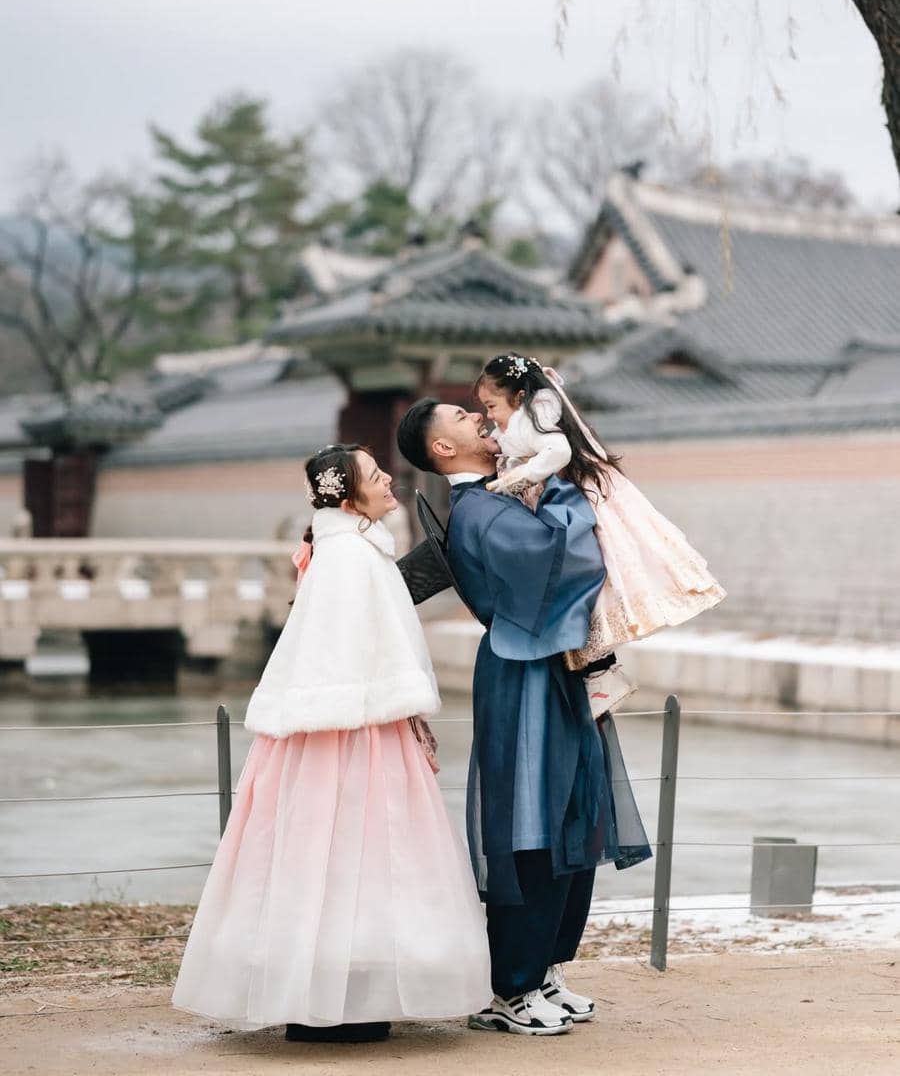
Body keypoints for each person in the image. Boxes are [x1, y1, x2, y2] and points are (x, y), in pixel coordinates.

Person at [172, 444, 492, 1043]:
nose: (389, 482)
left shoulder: (351, 549)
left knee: (330, 855)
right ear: (348, 497)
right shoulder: (349, 556)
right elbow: (347, 648)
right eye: (375, 476)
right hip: (354, 727)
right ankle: (339, 997)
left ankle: (335, 990)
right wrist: (401, 706)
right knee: (360, 850)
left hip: (353, 721)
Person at [396, 401, 651, 1037]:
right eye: (461, 416)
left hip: (551, 662)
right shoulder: (480, 507)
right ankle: (511, 984)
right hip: (525, 666)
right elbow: (556, 566)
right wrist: (562, 479)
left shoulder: (500, 492)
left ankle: (543, 968)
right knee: (530, 820)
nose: (479, 418)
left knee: (572, 811)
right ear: (443, 451)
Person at [475, 353, 726, 715]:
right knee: (595, 591)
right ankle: (601, 675)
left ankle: (603, 676)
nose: (488, 415)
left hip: (582, 507)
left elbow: (557, 451)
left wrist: (517, 478)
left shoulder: (534, 417)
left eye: (491, 405)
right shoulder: (529, 417)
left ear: (517, 397)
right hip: (578, 500)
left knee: (593, 588)